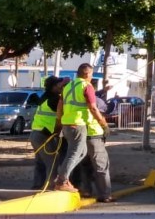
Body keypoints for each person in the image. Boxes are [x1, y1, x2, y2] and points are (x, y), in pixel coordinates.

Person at [54, 63, 110, 193]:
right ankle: (61, 181)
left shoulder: (68, 87)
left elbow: (59, 107)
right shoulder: (87, 86)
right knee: (74, 153)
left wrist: (59, 124)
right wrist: (103, 124)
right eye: (91, 74)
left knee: (82, 152)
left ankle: (63, 177)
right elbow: (93, 108)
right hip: (78, 124)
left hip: (67, 124)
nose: (91, 77)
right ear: (88, 74)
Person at [29, 76, 69, 190]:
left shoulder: (45, 97)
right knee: (52, 163)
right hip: (44, 135)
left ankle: (37, 185)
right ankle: (50, 186)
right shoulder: (54, 99)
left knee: (40, 161)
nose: (61, 88)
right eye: (59, 86)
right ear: (53, 86)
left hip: (36, 133)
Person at [77, 110, 115, 202]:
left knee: (85, 165)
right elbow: (97, 112)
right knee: (101, 167)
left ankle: (87, 190)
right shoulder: (93, 101)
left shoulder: (72, 99)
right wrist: (105, 126)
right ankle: (105, 194)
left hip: (80, 137)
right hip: (94, 136)